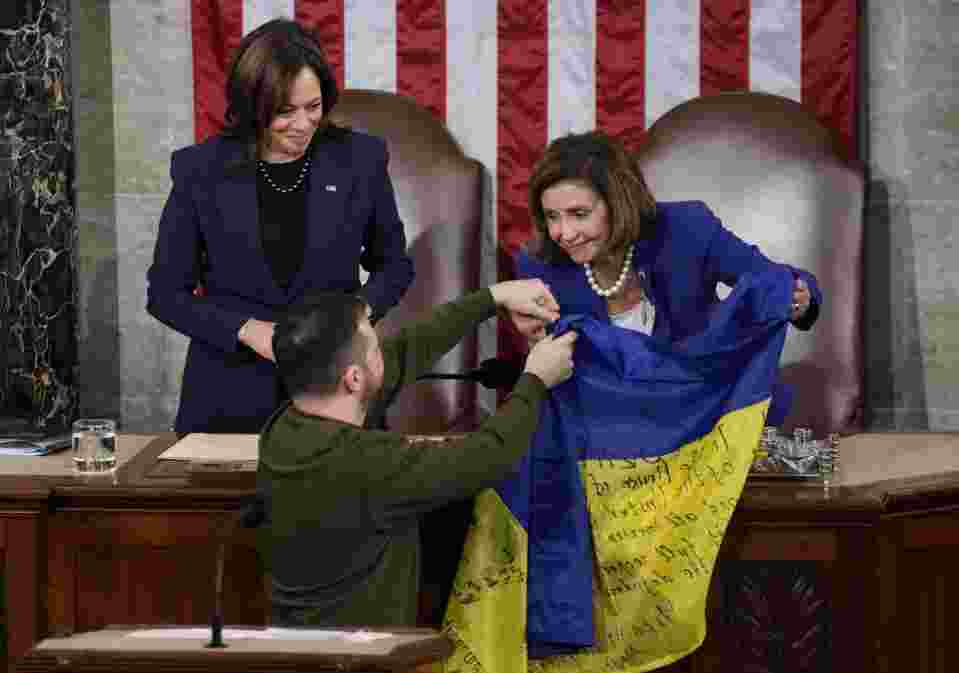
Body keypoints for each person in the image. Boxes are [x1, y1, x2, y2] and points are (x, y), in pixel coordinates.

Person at [147, 19, 414, 434]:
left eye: (314, 107)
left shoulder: (360, 160)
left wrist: (352, 319)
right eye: (285, 111)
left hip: (334, 389)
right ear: (253, 106)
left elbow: (395, 266)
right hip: (227, 395)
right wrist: (247, 331)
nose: (303, 124)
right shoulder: (201, 170)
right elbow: (165, 294)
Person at [259, 278, 574, 628]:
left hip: (297, 647)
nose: (385, 351)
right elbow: (489, 456)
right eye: (375, 348)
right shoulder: (367, 463)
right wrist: (535, 380)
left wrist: (493, 298)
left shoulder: (281, 430)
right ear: (354, 379)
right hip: (360, 662)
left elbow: (407, 350)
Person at [509, 130, 821, 425]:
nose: (563, 233)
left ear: (620, 203)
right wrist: (536, 346)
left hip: (709, 411)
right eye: (552, 216)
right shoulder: (538, 267)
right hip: (607, 432)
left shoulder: (687, 228)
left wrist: (798, 297)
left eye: (579, 214)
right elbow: (548, 383)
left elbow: (771, 277)